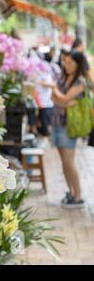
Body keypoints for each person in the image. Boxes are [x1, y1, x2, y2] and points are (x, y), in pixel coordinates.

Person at [51, 51, 89, 209]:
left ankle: (78, 196)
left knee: (69, 161)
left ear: (78, 64)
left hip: (69, 125)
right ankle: (71, 192)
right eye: (65, 62)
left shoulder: (80, 81)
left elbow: (63, 97)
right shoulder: (63, 77)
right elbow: (55, 99)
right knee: (64, 162)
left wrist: (55, 91)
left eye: (70, 63)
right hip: (57, 122)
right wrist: (62, 101)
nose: (67, 65)